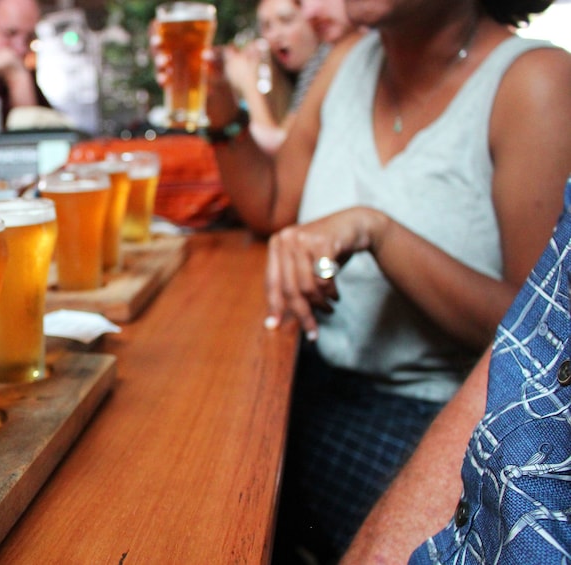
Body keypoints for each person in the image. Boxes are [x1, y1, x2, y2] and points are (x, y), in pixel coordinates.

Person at [199, 0, 571, 560]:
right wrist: (218, 104)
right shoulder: (345, 61)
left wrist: (379, 232)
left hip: (428, 419)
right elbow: (273, 204)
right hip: (308, 376)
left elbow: (537, 342)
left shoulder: (535, 82)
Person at [343, 176, 571, 563]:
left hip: (411, 398)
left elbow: (511, 312)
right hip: (370, 394)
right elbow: (526, 338)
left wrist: (380, 234)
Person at [216, 0, 322, 154]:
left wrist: (249, 84)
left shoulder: (322, 64)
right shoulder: (282, 72)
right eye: (266, 26)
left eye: (286, 21)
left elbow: (283, 151)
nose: (275, 34)